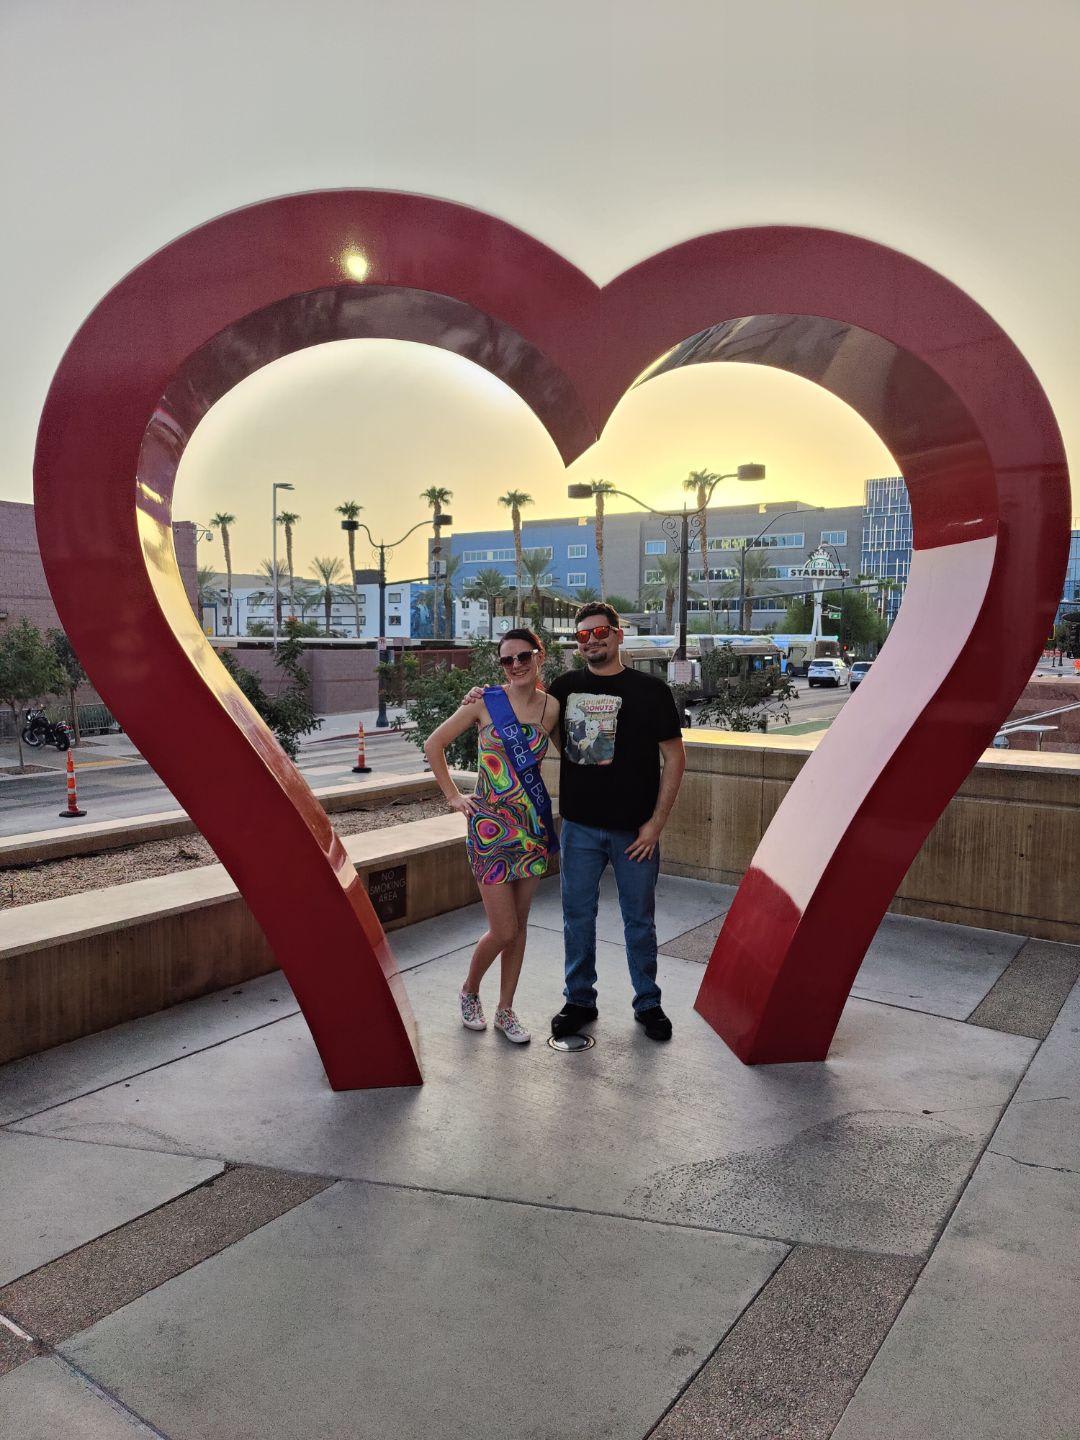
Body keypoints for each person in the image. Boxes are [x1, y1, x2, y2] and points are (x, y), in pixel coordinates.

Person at [465, 602, 686, 1042]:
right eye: (583, 635)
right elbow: (520, 700)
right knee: (577, 918)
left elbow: (675, 758)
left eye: (600, 632)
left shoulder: (651, 690)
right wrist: (478, 697)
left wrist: (656, 825)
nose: (592, 640)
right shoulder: (564, 690)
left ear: (618, 634)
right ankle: (579, 999)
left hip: (635, 832)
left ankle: (648, 1002)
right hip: (579, 828)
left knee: (639, 921)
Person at [424, 628, 561, 1044]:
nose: (516, 665)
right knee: (503, 929)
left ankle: (505, 1010)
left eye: (523, 657)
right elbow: (434, 744)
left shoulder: (552, 707)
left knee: (519, 926)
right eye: (507, 660)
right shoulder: (486, 701)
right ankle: (470, 990)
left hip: (531, 829)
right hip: (489, 831)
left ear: (539, 657)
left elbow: (578, 755)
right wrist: (453, 796)